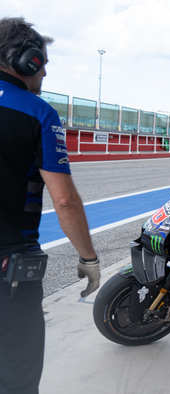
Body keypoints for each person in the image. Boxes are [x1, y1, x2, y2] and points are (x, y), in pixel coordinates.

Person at [0, 17, 100, 393]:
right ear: (29, 61)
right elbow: (64, 199)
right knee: (16, 380)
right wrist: (88, 258)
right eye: (43, 65)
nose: (44, 75)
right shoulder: (37, 111)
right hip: (8, 272)